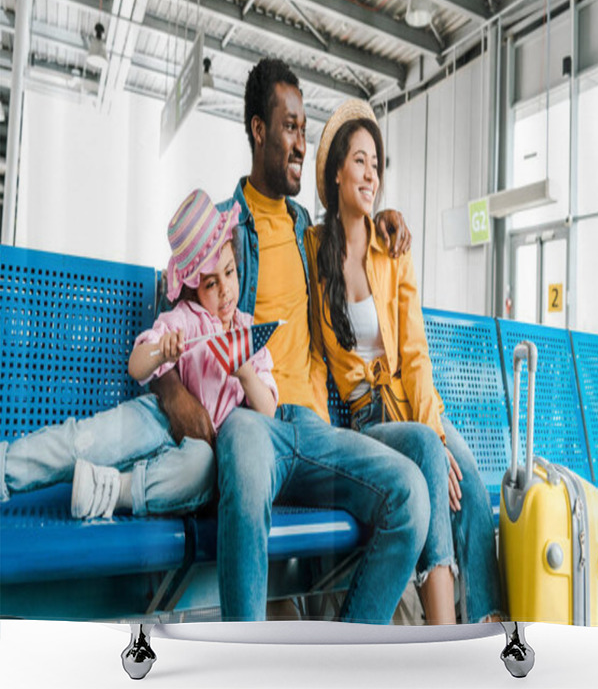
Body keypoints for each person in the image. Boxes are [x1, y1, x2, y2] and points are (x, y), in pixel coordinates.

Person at [150, 57, 430, 624]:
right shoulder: (225, 228)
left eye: (304, 128)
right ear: (258, 129)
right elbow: (172, 319)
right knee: (248, 455)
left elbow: (358, 233)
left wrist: (386, 217)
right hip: (253, 422)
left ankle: (339, 662)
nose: (301, 141)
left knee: (411, 494)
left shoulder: (310, 229)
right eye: (289, 126)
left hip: (316, 428)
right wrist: (172, 390)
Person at [306, 100, 505, 624]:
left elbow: (414, 351)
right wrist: (428, 442)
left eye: (377, 164)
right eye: (359, 161)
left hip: (411, 406)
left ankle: (487, 630)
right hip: (367, 421)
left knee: (474, 488)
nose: (371, 174)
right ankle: (443, 636)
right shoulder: (312, 247)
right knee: (426, 451)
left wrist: (435, 429)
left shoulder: (392, 247)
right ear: (335, 174)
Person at [0, 188, 277, 522]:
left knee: (200, 472)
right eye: (210, 284)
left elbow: (268, 411)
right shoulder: (184, 318)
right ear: (191, 286)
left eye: (229, 273)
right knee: (86, 441)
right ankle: (7, 467)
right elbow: (136, 365)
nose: (225, 291)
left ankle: (112, 491)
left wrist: (245, 371)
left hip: (203, 450)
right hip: (157, 418)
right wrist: (163, 352)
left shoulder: (251, 332)